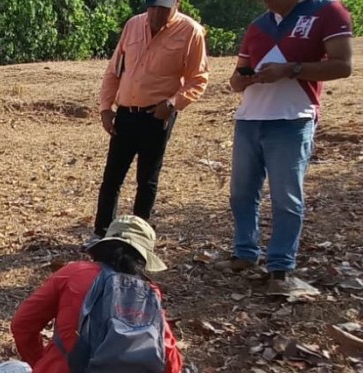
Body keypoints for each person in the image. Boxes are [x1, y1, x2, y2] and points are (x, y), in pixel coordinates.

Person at [217, 0, 353, 295]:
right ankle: (244, 254)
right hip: (250, 119)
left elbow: (343, 65)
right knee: (241, 193)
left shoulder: (327, 11)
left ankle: (280, 268)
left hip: (292, 119)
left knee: (286, 197)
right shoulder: (259, 24)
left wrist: (290, 70)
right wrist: (242, 80)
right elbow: (236, 76)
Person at [12, 216, 183, 373]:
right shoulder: (149, 292)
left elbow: (22, 325)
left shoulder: (73, 273)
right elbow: (167, 349)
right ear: (144, 258)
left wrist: (40, 366)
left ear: (103, 247)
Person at [92, 0, 209, 239]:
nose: (156, 13)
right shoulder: (133, 25)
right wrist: (106, 107)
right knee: (112, 178)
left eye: (163, 8)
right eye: (152, 6)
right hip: (125, 113)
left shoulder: (191, 32)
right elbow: (114, 71)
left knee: (146, 180)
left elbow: (198, 79)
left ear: (176, 3)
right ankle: (100, 234)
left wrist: (173, 104)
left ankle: (137, 239)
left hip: (157, 116)